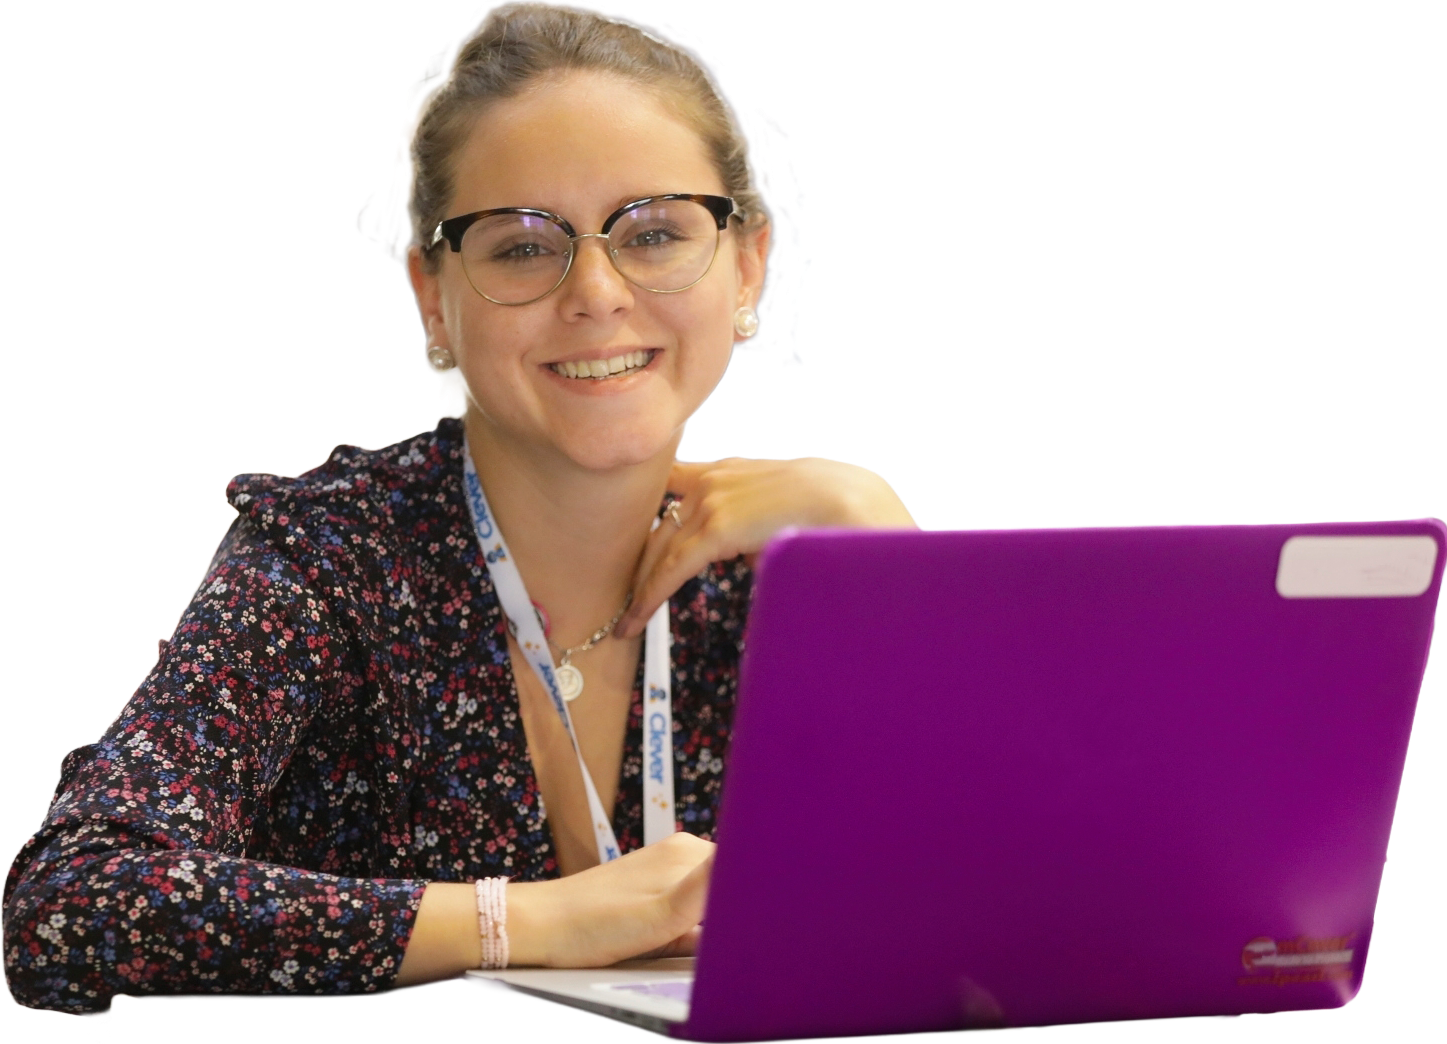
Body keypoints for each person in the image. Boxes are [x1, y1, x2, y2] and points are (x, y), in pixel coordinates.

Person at [1, 0, 917, 1017]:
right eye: (523, 247)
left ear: (746, 263)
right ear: (434, 293)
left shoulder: (801, 564)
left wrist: (900, 571)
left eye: (653, 232)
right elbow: (72, 898)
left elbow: (998, 907)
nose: (597, 290)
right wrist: (534, 921)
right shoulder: (334, 554)